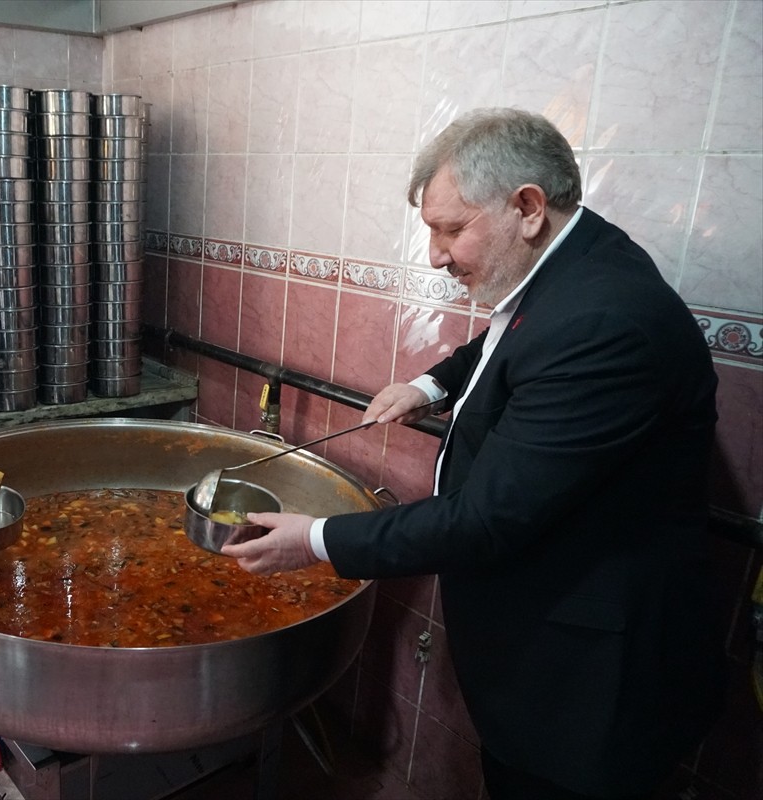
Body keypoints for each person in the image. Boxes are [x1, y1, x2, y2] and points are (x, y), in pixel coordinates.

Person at [222, 108, 725, 800]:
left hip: (590, 679)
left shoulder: (607, 323)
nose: (434, 254)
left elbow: (487, 519)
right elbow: (508, 343)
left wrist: (313, 540)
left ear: (526, 207)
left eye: (450, 229)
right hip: (550, 642)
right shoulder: (570, 264)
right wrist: (430, 385)